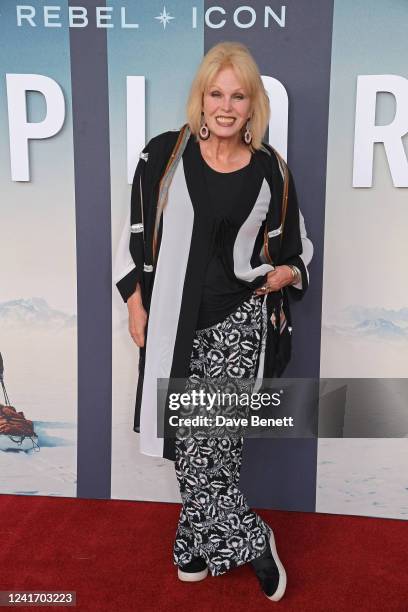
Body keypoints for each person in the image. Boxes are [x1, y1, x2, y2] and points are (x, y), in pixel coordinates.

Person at [114, 41, 313, 601]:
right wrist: (135, 303)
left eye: (238, 95)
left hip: (238, 325)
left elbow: (297, 248)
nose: (226, 106)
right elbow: (134, 237)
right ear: (200, 99)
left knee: (214, 445)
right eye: (215, 93)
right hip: (173, 324)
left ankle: (195, 543)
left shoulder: (272, 171)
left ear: (253, 106)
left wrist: (285, 273)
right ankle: (248, 538)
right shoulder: (162, 158)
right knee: (194, 441)